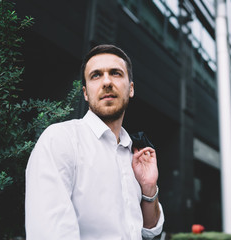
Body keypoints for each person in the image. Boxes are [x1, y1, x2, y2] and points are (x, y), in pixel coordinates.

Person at [25, 44, 164, 239]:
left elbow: (149, 231)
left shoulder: (133, 154)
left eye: (115, 73)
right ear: (85, 93)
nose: (106, 82)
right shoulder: (60, 140)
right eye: (96, 75)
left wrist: (148, 188)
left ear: (131, 88)